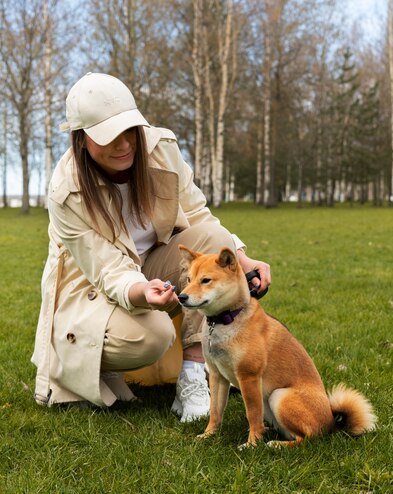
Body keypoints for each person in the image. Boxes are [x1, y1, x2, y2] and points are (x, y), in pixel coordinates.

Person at [31, 72, 271, 422]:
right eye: (109, 136)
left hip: (154, 262)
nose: (125, 144)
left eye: (130, 130)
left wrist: (245, 260)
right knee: (150, 336)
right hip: (91, 285)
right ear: (80, 139)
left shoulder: (162, 149)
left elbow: (197, 214)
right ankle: (94, 364)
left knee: (216, 239)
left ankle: (193, 376)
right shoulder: (66, 191)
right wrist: (142, 291)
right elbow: (108, 270)